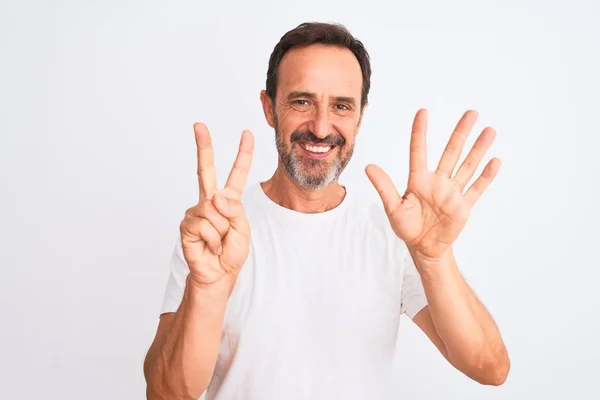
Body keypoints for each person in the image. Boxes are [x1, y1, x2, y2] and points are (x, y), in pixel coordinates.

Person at [143, 22, 510, 400]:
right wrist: (206, 289)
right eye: (301, 101)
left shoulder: (394, 232)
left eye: (341, 106)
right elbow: (166, 393)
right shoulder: (217, 231)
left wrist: (434, 257)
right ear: (269, 108)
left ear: (360, 117)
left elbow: (490, 368)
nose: (320, 127)